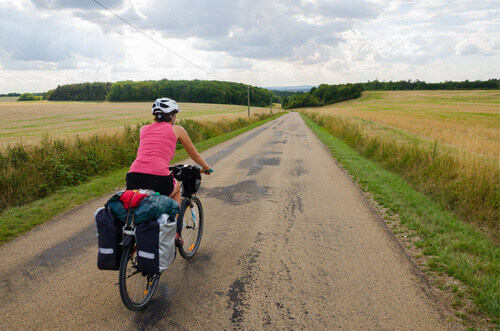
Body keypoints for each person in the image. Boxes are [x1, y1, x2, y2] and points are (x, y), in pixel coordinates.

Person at [126, 97, 212, 242]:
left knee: (140, 202)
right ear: (172, 116)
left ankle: (132, 237)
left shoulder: (143, 129)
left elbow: (148, 154)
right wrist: (206, 167)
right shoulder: (177, 129)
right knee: (177, 188)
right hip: (158, 178)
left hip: (133, 176)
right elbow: (193, 154)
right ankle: (173, 231)